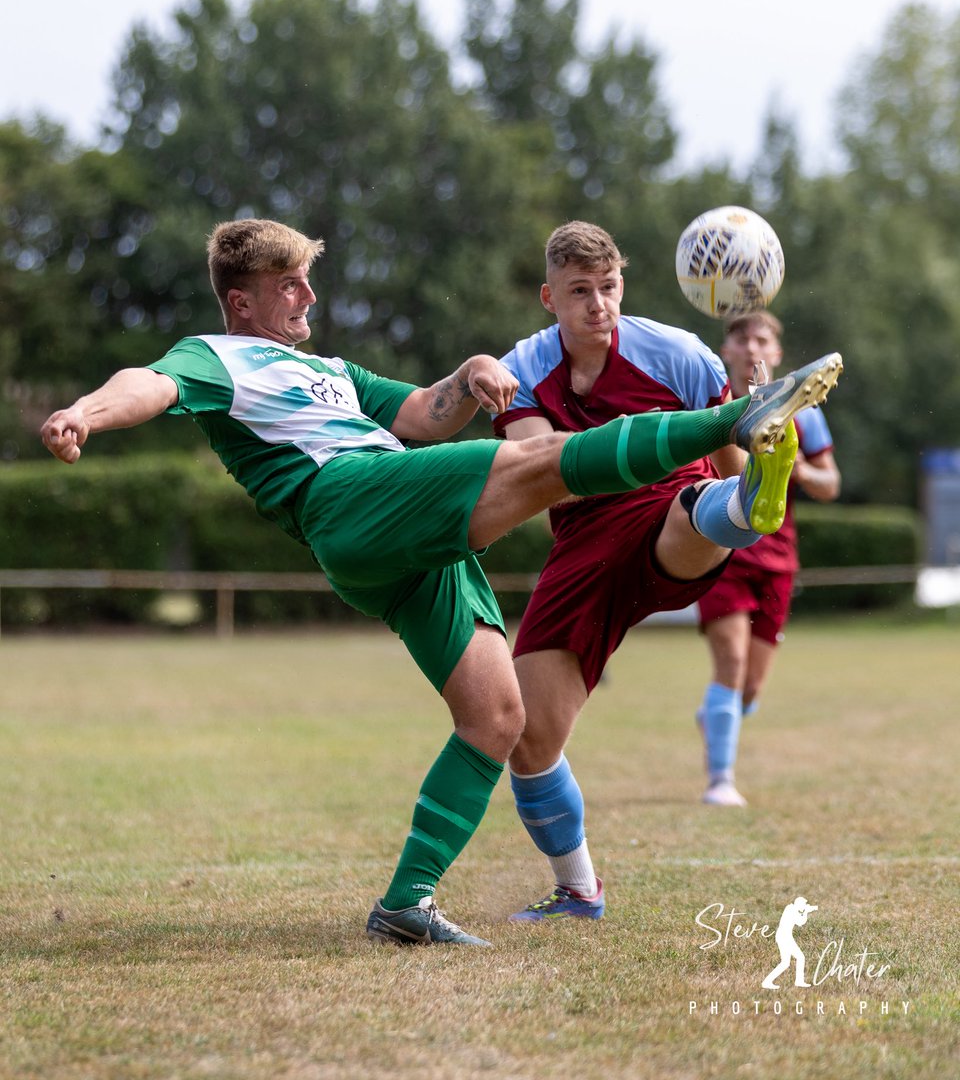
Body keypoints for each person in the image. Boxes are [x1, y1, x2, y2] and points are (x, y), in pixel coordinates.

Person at [41, 218, 840, 948]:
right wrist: (87, 410)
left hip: (397, 528)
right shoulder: (215, 354)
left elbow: (423, 414)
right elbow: (147, 383)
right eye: (290, 284)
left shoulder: (327, 371)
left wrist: (470, 372)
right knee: (541, 461)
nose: (308, 294)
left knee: (500, 718)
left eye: (307, 280)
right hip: (350, 499)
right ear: (240, 301)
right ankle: (736, 420)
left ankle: (406, 904)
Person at [492, 221, 841, 925]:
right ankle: (579, 891)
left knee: (698, 501)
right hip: (582, 541)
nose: (598, 305)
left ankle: (748, 502)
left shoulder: (676, 353)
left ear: (624, 286)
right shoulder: (521, 367)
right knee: (528, 737)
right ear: (548, 297)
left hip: (670, 511)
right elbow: (544, 469)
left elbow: (726, 462)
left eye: (609, 288)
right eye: (580, 292)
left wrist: (748, 439)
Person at [696, 310, 841, 807]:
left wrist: (794, 465)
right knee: (731, 663)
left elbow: (830, 484)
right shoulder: (710, 403)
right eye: (741, 337)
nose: (752, 346)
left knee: (751, 687)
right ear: (727, 349)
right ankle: (720, 780)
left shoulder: (804, 408)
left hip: (778, 556)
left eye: (763, 339)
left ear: (777, 354)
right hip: (720, 547)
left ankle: (721, 717)